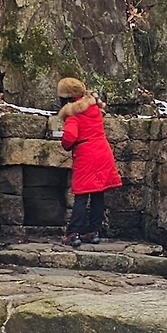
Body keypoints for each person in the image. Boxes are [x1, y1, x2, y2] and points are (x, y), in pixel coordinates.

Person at [56, 77, 121, 246]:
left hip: (87, 154)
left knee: (81, 195)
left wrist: (65, 143)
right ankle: (94, 232)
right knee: (98, 193)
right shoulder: (94, 107)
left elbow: (70, 137)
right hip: (103, 152)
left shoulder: (73, 113)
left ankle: (73, 233)